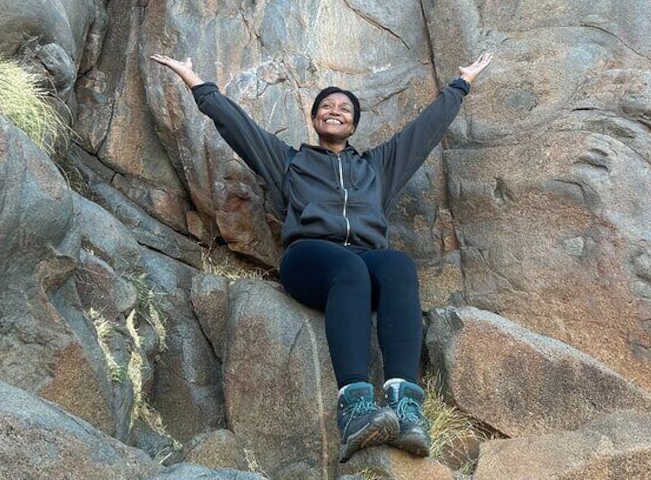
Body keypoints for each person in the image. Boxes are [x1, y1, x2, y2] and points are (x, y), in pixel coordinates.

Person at [150, 51, 492, 462]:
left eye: (344, 108)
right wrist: (194, 81)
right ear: (314, 120)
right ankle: (355, 408)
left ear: (353, 124)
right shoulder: (289, 162)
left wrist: (461, 84)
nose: (335, 111)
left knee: (397, 265)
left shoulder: (377, 169)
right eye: (326, 106)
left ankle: (405, 407)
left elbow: (424, 132)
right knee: (349, 267)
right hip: (309, 260)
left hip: (365, 261)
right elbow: (237, 127)